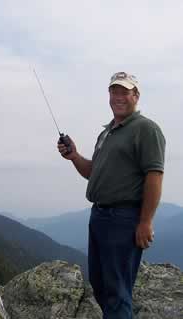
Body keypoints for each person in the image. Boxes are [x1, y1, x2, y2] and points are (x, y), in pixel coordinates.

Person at [57, 72, 165, 319]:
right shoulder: (107, 133)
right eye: (114, 91)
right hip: (100, 216)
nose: (118, 97)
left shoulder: (146, 129)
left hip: (123, 219)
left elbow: (154, 175)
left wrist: (146, 221)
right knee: (102, 287)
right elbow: (94, 172)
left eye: (125, 92)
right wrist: (73, 156)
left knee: (117, 292)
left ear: (136, 96)